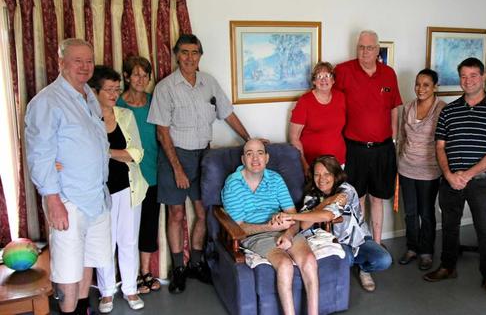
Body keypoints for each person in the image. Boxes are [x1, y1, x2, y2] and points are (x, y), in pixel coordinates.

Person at [148, 33, 256, 293]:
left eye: (194, 52)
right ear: (176, 55)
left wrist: (250, 141)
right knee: (176, 214)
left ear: (200, 55)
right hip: (176, 155)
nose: (189, 58)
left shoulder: (209, 83)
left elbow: (228, 114)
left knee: (202, 213)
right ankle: (178, 269)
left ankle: (196, 263)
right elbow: (162, 132)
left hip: (204, 157)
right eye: (184, 52)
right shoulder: (165, 87)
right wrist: (177, 168)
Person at [25, 39, 111, 315]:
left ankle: (83, 307)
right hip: (68, 199)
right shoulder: (47, 101)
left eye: (89, 61)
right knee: (67, 267)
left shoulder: (88, 95)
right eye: (78, 61)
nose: (85, 67)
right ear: (61, 62)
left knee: (88, 258)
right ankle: (69, 311)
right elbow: (40, 155)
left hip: (96, 196)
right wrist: (52, 200)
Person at [423, 57, 486, 303]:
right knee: (449, 227)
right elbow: (440, 146)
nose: (468, 80)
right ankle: (447, 267)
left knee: (485, 230)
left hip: (480, 182)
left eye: (473, 75)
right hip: (450, 181)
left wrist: (467, 175)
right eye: (463, 76)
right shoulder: (449, 111)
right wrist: (450, 175)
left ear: (484, 77)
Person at [221, 139, 319, 315]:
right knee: (285, 264)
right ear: (243, 160)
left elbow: (293, 215)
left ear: (267, 158)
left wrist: (288, 235)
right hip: (255, 235)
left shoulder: (275, 179)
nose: (255, 158)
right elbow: (240, 228)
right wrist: (269, 227)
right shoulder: (233, 184)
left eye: (260, 153)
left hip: (283, 228)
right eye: (249, 153)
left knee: (310, 261)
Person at [275, 155, 391, 292]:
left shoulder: (346, 190)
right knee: (346, 259)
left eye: (326, 174)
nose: (321, 179)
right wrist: (325, 202)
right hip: (334, 240)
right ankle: (351, 262)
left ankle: (364, 269)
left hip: (357, 238)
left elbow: (328, 214)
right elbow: (304, 225)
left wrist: (290, 216)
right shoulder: (312, 194)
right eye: (317, 174)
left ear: (335, 175)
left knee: (384, 260)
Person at [333, 30, 402, 244]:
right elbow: (330, 100)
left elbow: (394, 108)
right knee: (358, 199)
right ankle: (361, 246)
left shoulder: (388, 73)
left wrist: (394, 140)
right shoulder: (343, 71)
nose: (364, 51)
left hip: (383, 148)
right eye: (361, 47)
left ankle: (378, 244)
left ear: (377, 50)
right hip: (355, 148)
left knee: (378, 199)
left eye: (369, 47)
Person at [88, 66, 148, 312]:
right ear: (95, 91)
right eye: (109, 90)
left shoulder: (125, 115)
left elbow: (137, 154)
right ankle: (106, 292)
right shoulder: (86, 117)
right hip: (98, 192)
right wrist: (116, 155)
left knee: (128, 241)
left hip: (128, 188)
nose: (114, 94)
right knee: (104, 243)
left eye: (117, 89)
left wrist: (107, 152)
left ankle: (131, 290)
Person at [117, 56, 161, 294]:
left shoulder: (154, 102)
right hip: (126, 176)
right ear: (126, 77)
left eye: (145, 75)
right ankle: (129, 274)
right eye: (135, 74)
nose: (141, 79)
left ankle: (145, 271)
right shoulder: (117, 105)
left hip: (151, 172)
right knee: (125, 229)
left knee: (148, 225)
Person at [397, 69, 446, 271]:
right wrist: (399, 161)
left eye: (426, 84)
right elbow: (402, 137)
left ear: (435, 87)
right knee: (410, 212)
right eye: (418, 84)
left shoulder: (442, 109)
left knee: (426, 213)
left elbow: (445, 141)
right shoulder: (408, 107)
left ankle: (426, 251)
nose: (420, 88)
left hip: (429, 170)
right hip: (406, 168)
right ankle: (412, 248)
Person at [289, 62, 346, 174]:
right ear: (314, 81)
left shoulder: (341, 97)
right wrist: (304, 164)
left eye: (328, 76)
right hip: (313, 164)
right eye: (319, 76)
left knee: (338, 191)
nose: (323, 79)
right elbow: (294, 138)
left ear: (333, 80)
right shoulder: (304, 101)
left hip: (338, 161)